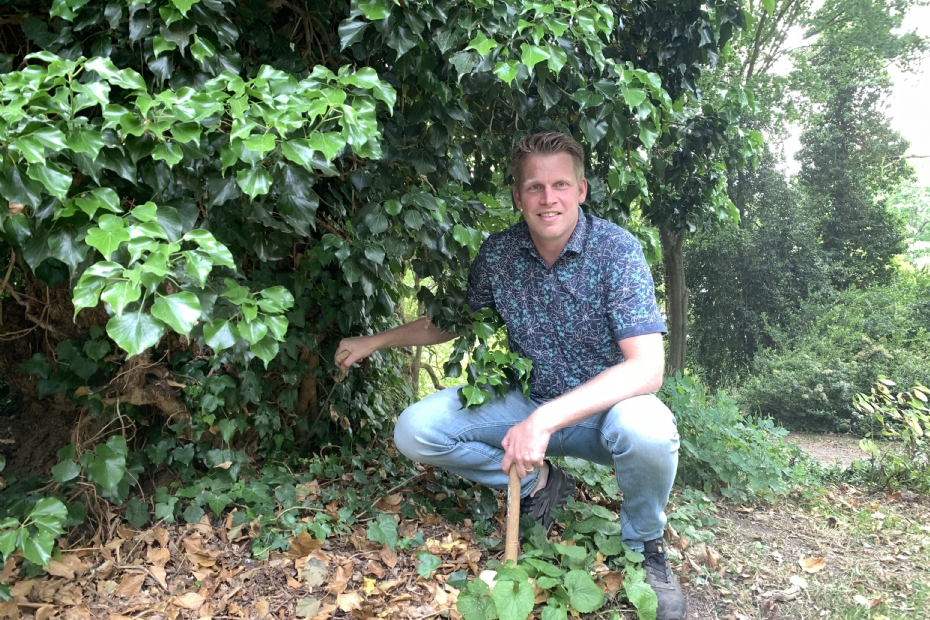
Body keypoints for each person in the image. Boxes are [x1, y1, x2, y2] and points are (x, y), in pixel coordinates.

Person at [335, 132, 685, 620]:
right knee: (415, 429)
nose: (548, 199)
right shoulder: (499, 254)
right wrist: (374, 341)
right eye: (534, 187)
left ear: (581, 190)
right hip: (527, 401)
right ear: (518, 196)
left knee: (650, 431)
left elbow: (647, 368)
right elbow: (451, 321)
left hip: (609, 413)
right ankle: (540, 484)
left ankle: (644, 549)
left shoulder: (617, 252)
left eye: (560, 184)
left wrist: (545, 421)